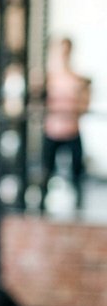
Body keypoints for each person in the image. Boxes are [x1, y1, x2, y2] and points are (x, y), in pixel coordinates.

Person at [40, 35, 91, 212]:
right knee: (46, 169)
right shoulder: (48, 78)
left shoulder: (78, 80)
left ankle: (78, 206)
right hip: (52, 130)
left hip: (71, 130)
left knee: (77, 170)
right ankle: (41, 205)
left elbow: (85, 105)